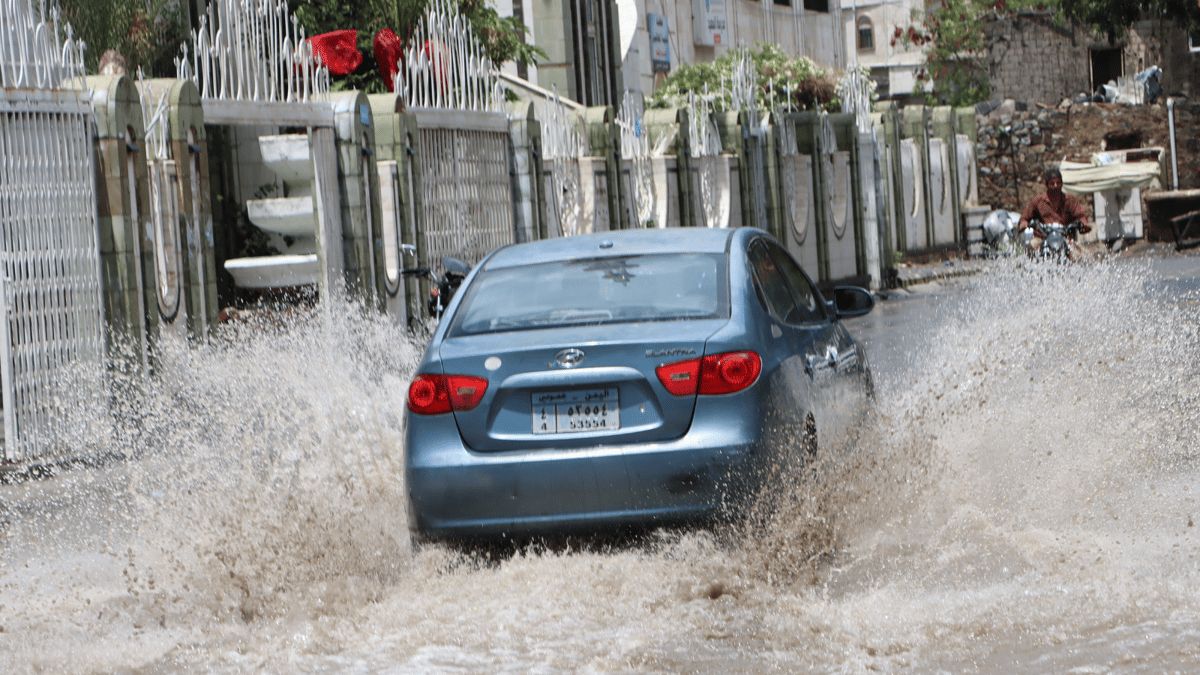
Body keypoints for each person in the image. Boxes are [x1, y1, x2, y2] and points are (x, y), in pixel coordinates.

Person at [1018, 168, 1092, 258]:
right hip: (1042, 238)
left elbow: (1081, 215)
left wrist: (1083, 224)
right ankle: (1028, 270)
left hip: (1065, 238)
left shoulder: (1070, 200)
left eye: (1058, 183)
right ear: (1047, 184)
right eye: (1052, 183)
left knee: (1081, 256)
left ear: (1062, 183)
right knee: (1030, 249)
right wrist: (1024, 224)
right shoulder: (1038, 201)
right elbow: (1025, 217)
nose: (1055, 186)